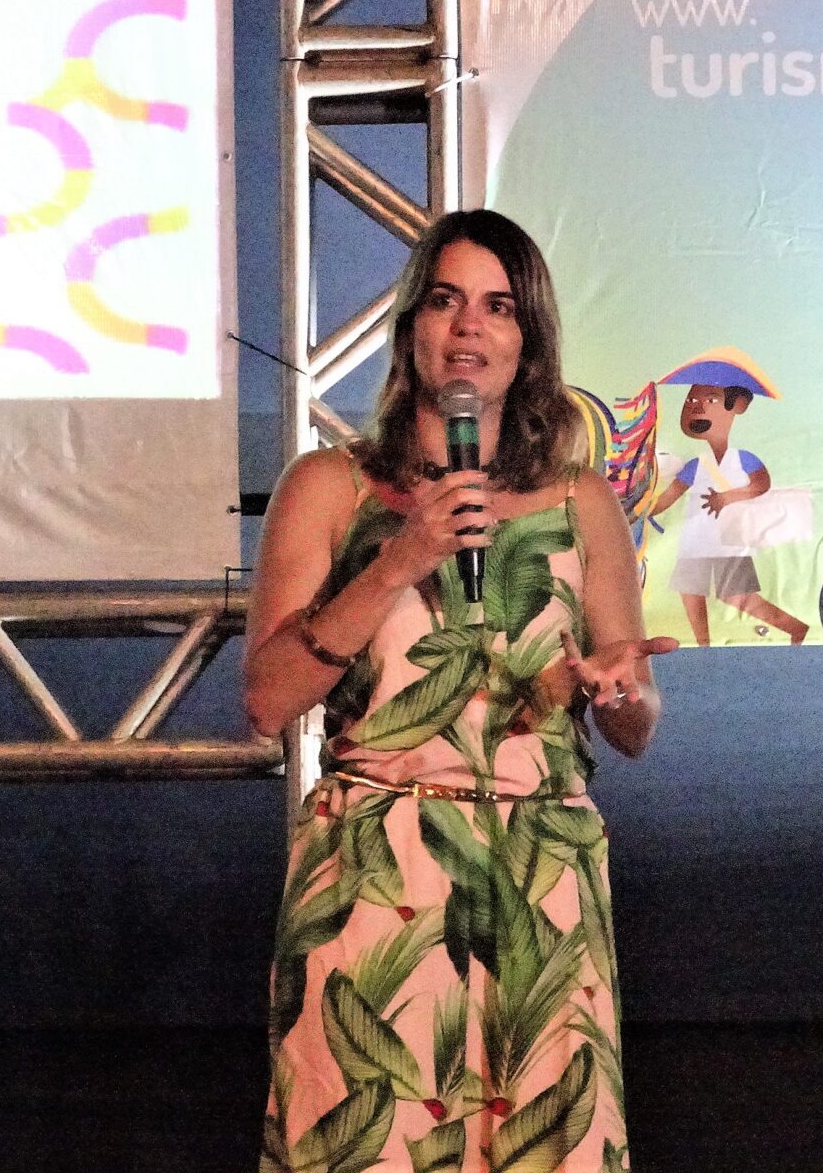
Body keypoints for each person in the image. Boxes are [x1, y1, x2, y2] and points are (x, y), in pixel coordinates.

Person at [244, 209, 677, 1173]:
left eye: (498, 306)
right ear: (412, 329)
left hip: (542, 870)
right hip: (380, 873)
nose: (470, 326)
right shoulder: (330, 487)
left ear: (530, 342)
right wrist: (400, 560)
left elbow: (636, 720)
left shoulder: (582, 502)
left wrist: (619, 696)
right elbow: (268, 700)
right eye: (446, 301)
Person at [648, 350, 811, 645]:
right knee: (690, 593)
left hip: (729, 542)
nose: (696, 408)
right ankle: (703, 647)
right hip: (695, 542)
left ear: (737, 406)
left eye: (710, 401)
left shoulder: (742, 458)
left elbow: (761, 483)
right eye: (690, 401)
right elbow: (668, 497)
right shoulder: (695, 465)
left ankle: (795, 628)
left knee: (738, 596)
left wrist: (728, 497)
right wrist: (640, 510)